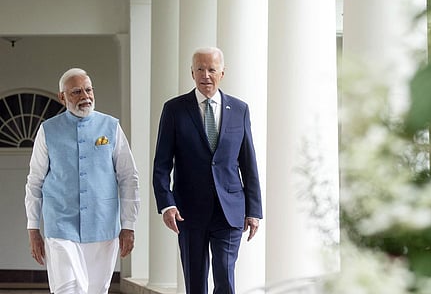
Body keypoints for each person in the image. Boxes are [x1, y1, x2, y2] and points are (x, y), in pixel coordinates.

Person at [153, 47, 263, 294]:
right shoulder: (174, 109)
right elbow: (161, 164)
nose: (206, 75)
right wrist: (167, 204)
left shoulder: (240, 109)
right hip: (188, 212)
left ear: (222, 73)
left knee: (225, 279)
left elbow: (248, 162)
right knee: (196, 282)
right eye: (200, 69)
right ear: (192, 72)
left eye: (212, 69)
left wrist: (254, 210)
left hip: (230, 210)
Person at [25, 68, 140, 294]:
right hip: (60, 225)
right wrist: (32, 228)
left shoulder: (111, 127)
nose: (85, 97)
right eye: (76, 92)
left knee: (97, 290)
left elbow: (128, 177)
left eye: (88, 90)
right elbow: (35, 181)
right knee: (67, 289)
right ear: (62, 97)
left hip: (103, 224)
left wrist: (129, 225)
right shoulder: (47, 130)